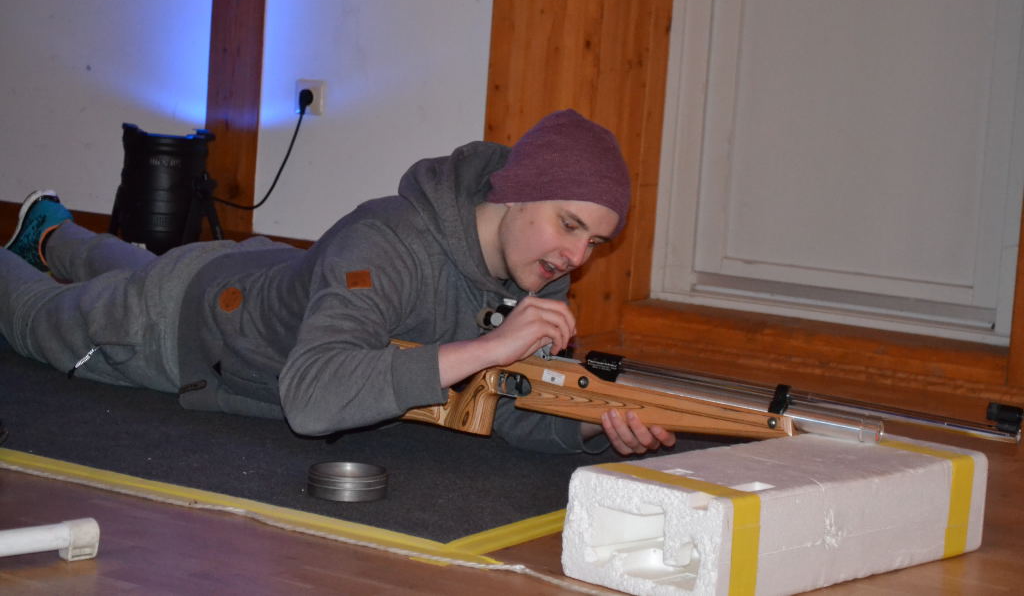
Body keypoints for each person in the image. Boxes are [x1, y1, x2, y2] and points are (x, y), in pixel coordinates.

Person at [0, 109, 676, 456]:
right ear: (515, 192)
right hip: (176, 323)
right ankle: (44, 244)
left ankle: (51, 231)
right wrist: (489, 348)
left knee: (136, 265)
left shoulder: (537, 269)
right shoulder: (386, 241)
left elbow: (505, 406)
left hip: (246, 273)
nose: (575, 257)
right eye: (569, 225)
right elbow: (313, 398)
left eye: (594, 242)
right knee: (33, 318)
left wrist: (593, 425)